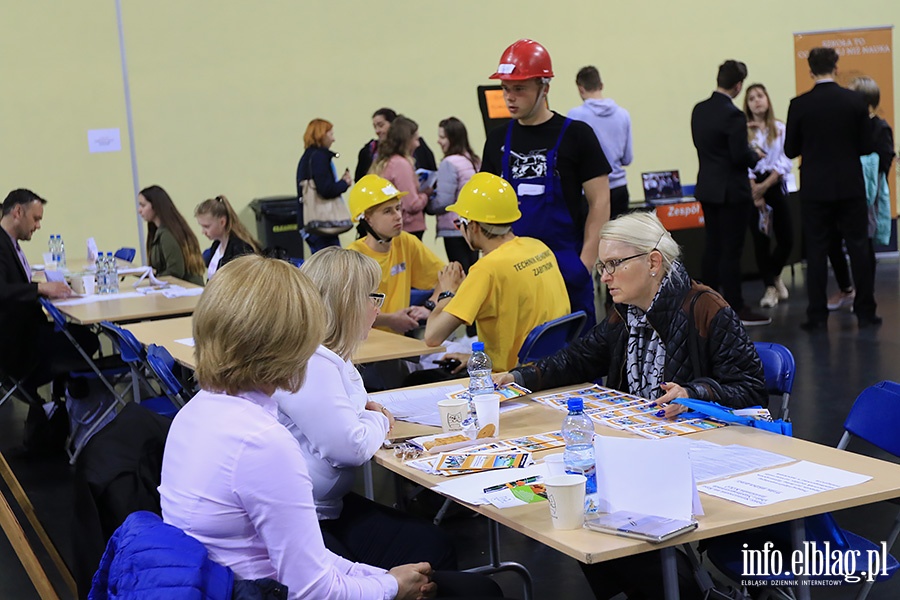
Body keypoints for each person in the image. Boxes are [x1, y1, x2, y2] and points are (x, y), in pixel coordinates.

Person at [159, 254, 504, 600]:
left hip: (229, 583)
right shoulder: (262, 444)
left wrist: (379, 577)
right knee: (478, 589)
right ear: (289, 342)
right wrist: (391, 586)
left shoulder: (194, 414)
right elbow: (311, 588)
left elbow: (306, 561)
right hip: (260, 590)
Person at [495, 211, 764, 599]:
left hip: (701, 461)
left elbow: (752, 390)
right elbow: (579, 358)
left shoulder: (706, 308)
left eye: (614, 265)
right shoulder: (628, 314)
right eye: (603, 266)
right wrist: (521, 377)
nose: (604, 276)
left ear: (653, 262)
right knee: (577, 504)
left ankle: (681, 592)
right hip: (644, 451)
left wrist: (695, 392)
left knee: (589, 509)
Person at [274, 247, 459, 572]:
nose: (377, 309)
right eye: (373, 298)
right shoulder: (311, 363)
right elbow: (352, 445)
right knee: (433, 548)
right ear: (347, 304)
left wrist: (366, 415)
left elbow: (358, 407)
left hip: (320, 508)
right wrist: (375, 417)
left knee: (432, 542)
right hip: (305, 520)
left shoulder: (332, 356)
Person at [481, 39, 612, 329]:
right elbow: (485, 207)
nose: (510, 97)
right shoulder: (497, 140)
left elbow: (600, 201)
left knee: (578, 357)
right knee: (518, 361)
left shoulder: (577, 135)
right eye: (505, 89)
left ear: (545, 88)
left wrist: (585, 263)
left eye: (519, 89)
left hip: (567, 264)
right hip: (512, 269)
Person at [423, 173, 570, 372]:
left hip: (508, 378)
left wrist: (448, 292)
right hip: (548, 368)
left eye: (460, 224)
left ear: (473, 226)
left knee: (416, 379)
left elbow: (432, 337)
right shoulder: (538, 247)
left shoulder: (486, 269)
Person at [784, 47, 878, 330]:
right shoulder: (854, 102)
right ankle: (865, 311)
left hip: (815, 189)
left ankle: (817, 316)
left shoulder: (799, 105)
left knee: (816, 252)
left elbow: (790, 150)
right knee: (859, 249)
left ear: (810, 71)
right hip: (850, 186)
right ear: (836, 68)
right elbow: (866, 146)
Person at [0, 189, 100, 453]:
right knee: (86, 340)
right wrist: (39, 290)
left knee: (78, 335)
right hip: (15, 347)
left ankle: (60, 400)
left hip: (23, 335)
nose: (38, 226)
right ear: (17, 212)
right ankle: (69, 400)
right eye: (35, 218)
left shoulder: (9, 244)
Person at [691, 60, 768, 327]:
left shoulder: (699, 110)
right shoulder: (734, 116)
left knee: (712, 247)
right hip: (732, 193)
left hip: (708, 188)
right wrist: (755, 155)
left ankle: (706, 304)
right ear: (738, 86)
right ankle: (735, 306)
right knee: (731, 252)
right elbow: (738, 156)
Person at [826, 76, 896, 313]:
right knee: (833, 240)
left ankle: (865, 294)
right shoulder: (847, 127)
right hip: (841, 193)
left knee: (864, 246)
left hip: (866, 199)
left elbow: (884, 162)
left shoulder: (880, 127)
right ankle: (847, 288)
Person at [347, 174, 444, 334]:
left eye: (398, 208)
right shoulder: (354, 257)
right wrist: (390, 320)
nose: (398, 216)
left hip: (399, 344)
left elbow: (448, 277)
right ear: (368, 219)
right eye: (387, 211)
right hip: (364, 346)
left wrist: (430, 306)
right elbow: (349, 313)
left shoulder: (405, 242)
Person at [742, 83, 795, 309]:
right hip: (752, 187)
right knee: (761, 240)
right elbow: (743, 162)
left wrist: (766, 185)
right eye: (752, 98)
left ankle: (773, 275)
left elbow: (785, 160)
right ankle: (770, 287)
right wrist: (755, 190)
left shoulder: (780, 129)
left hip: (774, 185)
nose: (757, 101)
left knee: (787, 238)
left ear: (767, 99)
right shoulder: (744, 131)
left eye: (760, 96)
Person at [567, 66, 633, 220]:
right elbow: (627, 158)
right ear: (601, 85)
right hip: (619, 189)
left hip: (590, 193)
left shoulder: (575, 115)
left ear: (581, 89)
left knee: (594, 240)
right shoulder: (623, 114)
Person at [431, 117, 481, 272]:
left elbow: (444, 201)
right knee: (472, 271)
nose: (438, 141)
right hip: (471, 225)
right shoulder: (473, 160)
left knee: (458, 274)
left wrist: (426, 203)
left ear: (452, 139)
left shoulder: (449, 163)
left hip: (453, 228)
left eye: (442, 137)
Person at [297, 118, 353, 254]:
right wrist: (344, 183)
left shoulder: (307, 157)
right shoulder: (319, 157)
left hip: (309, 223)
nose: (333, 139)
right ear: (321, 135)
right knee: (332, 267)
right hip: (322, 224)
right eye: (331, 134)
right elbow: (325, 190)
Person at [371, 115, 430, 239]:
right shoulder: (400, 164)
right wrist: (426, 195)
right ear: (407, 140)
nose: (418, 144)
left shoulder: (387, 162)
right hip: (407, 228)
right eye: (415, 139)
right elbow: (411, 204)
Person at [137, 185, 205, 286]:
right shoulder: (158, 231)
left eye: (143, 205)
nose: (139, 210)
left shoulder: (167, 234)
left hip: (186, 291)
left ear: (155, 206)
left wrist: (153, 278)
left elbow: (175, 271)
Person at [355, 108, 437, 182]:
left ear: (393, 125)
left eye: (381, 125)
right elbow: (360, 180)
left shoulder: (416, 145)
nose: (377, 131)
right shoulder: (369, 151)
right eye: (375, 127)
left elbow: (432, 169)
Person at [194, 194, 260, 279]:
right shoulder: (216, 245)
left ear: (222, 222)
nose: (203, 232)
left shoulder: (240, 249)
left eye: (206, 226)